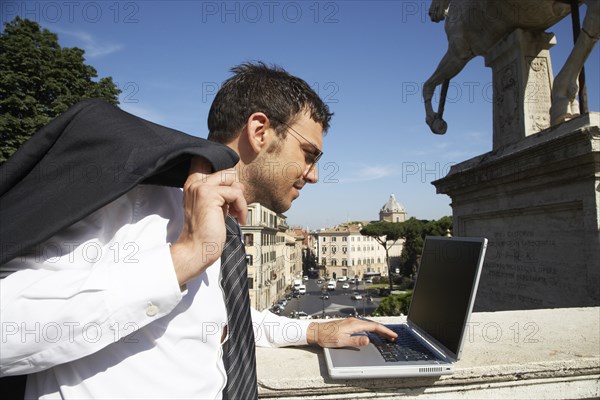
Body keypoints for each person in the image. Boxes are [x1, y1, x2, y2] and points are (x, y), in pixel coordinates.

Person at [0, 62, 396, 399]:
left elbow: (222, 320)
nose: (314, 176)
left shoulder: (224, 224)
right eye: (309, 155)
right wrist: (184, 258)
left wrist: (311, 329)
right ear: (260, 132)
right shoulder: (126, 197)